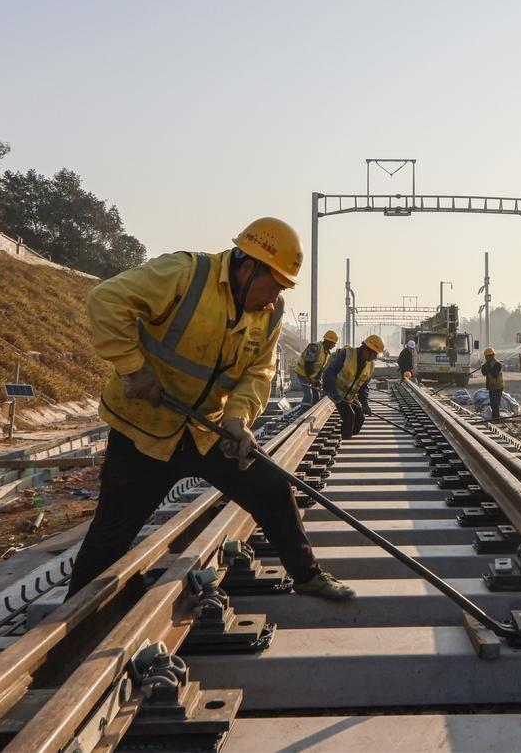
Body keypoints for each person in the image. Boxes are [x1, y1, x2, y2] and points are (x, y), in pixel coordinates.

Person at [66, 218, 355, 601]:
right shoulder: (184, 275)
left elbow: (258, 372)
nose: (274, 299)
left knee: (271, 487)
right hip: (145, 432)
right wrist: (134, 368)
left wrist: (238, 421)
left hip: (207, 431)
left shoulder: (270, 312)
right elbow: (105, 300)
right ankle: (71, 630)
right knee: (108, 539)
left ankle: (306, 575)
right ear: (249, 266)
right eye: (274, 285)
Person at [323, 334, 384, 439]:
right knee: (349, 416)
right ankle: (345, 439)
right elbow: (329, 373)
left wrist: (364, 404)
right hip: (336, 392)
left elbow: (363, 385)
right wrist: (333, 393)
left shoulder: (370, 364)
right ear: (366, 349)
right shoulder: (346, 354)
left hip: (349, 396)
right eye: (374, 354)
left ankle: (348, 436)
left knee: (360, 417)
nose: (374, 357)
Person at [295, 329, 338, 407]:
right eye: (333, 344)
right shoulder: (315, 347)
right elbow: (308, 363)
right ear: (328, 342)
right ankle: (303, 413)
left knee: (316, 395)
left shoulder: (326, 353)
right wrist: (311, 378)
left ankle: (312, 410)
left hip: (310, 375)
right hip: (303, 373)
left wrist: (318, 380)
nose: (334, 346)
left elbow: (320, 369)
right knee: (308, 395)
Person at [477, 346, 505, 419]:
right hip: (491, 387)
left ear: (492, 356)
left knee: (495, 403)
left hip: (498, 387)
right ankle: (494, 417)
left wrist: (488, 367)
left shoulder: (497, 364)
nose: (487, 358)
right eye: (486, 356)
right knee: (492, 403)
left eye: (489, 356)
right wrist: (484, 368)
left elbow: (494, 374)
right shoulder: (488, 364)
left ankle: (496, 417)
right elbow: (484, 373)